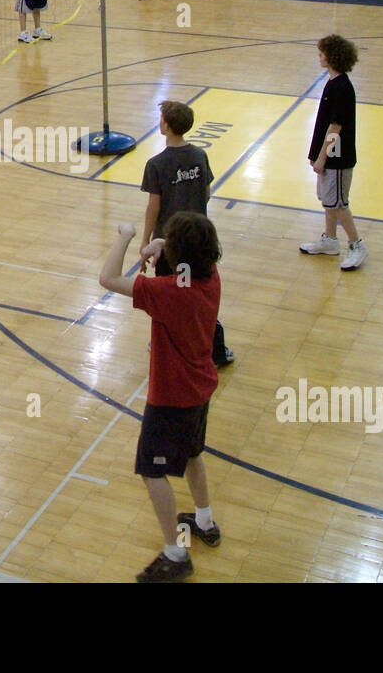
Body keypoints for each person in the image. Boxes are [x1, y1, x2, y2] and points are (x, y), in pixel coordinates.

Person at [98, 213, 223, 583]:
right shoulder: (209, 276)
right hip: (201, 387)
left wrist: (127, 236)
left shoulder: (168, 293)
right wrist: (162, 246)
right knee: (192, 455)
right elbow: (192, 252)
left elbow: (108, 278)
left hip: (172, 396)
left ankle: (175, 553)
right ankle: (204, 520)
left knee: (152, 471)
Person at [140, 100, 233, 366]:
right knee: (199, 293)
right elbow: (206, 193)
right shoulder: (200, 156)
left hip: (171, 245)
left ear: (167, 126)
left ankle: (166, 343)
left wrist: (146, 240)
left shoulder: (156, 164)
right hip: (199, 241)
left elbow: (153, 207)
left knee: (168, 295)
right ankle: (214, 347)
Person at [299, 35, 367, 270]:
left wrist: (322, 157)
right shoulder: (332, 82)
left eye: (322, 53)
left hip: (338, 158)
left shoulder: (342, 88)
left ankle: (357, 244)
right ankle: (330, 240)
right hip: (329, 156)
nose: (319, 56)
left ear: (332, 56)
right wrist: (314, 152)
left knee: (338, 204)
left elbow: (335, 127)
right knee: (329, 202)